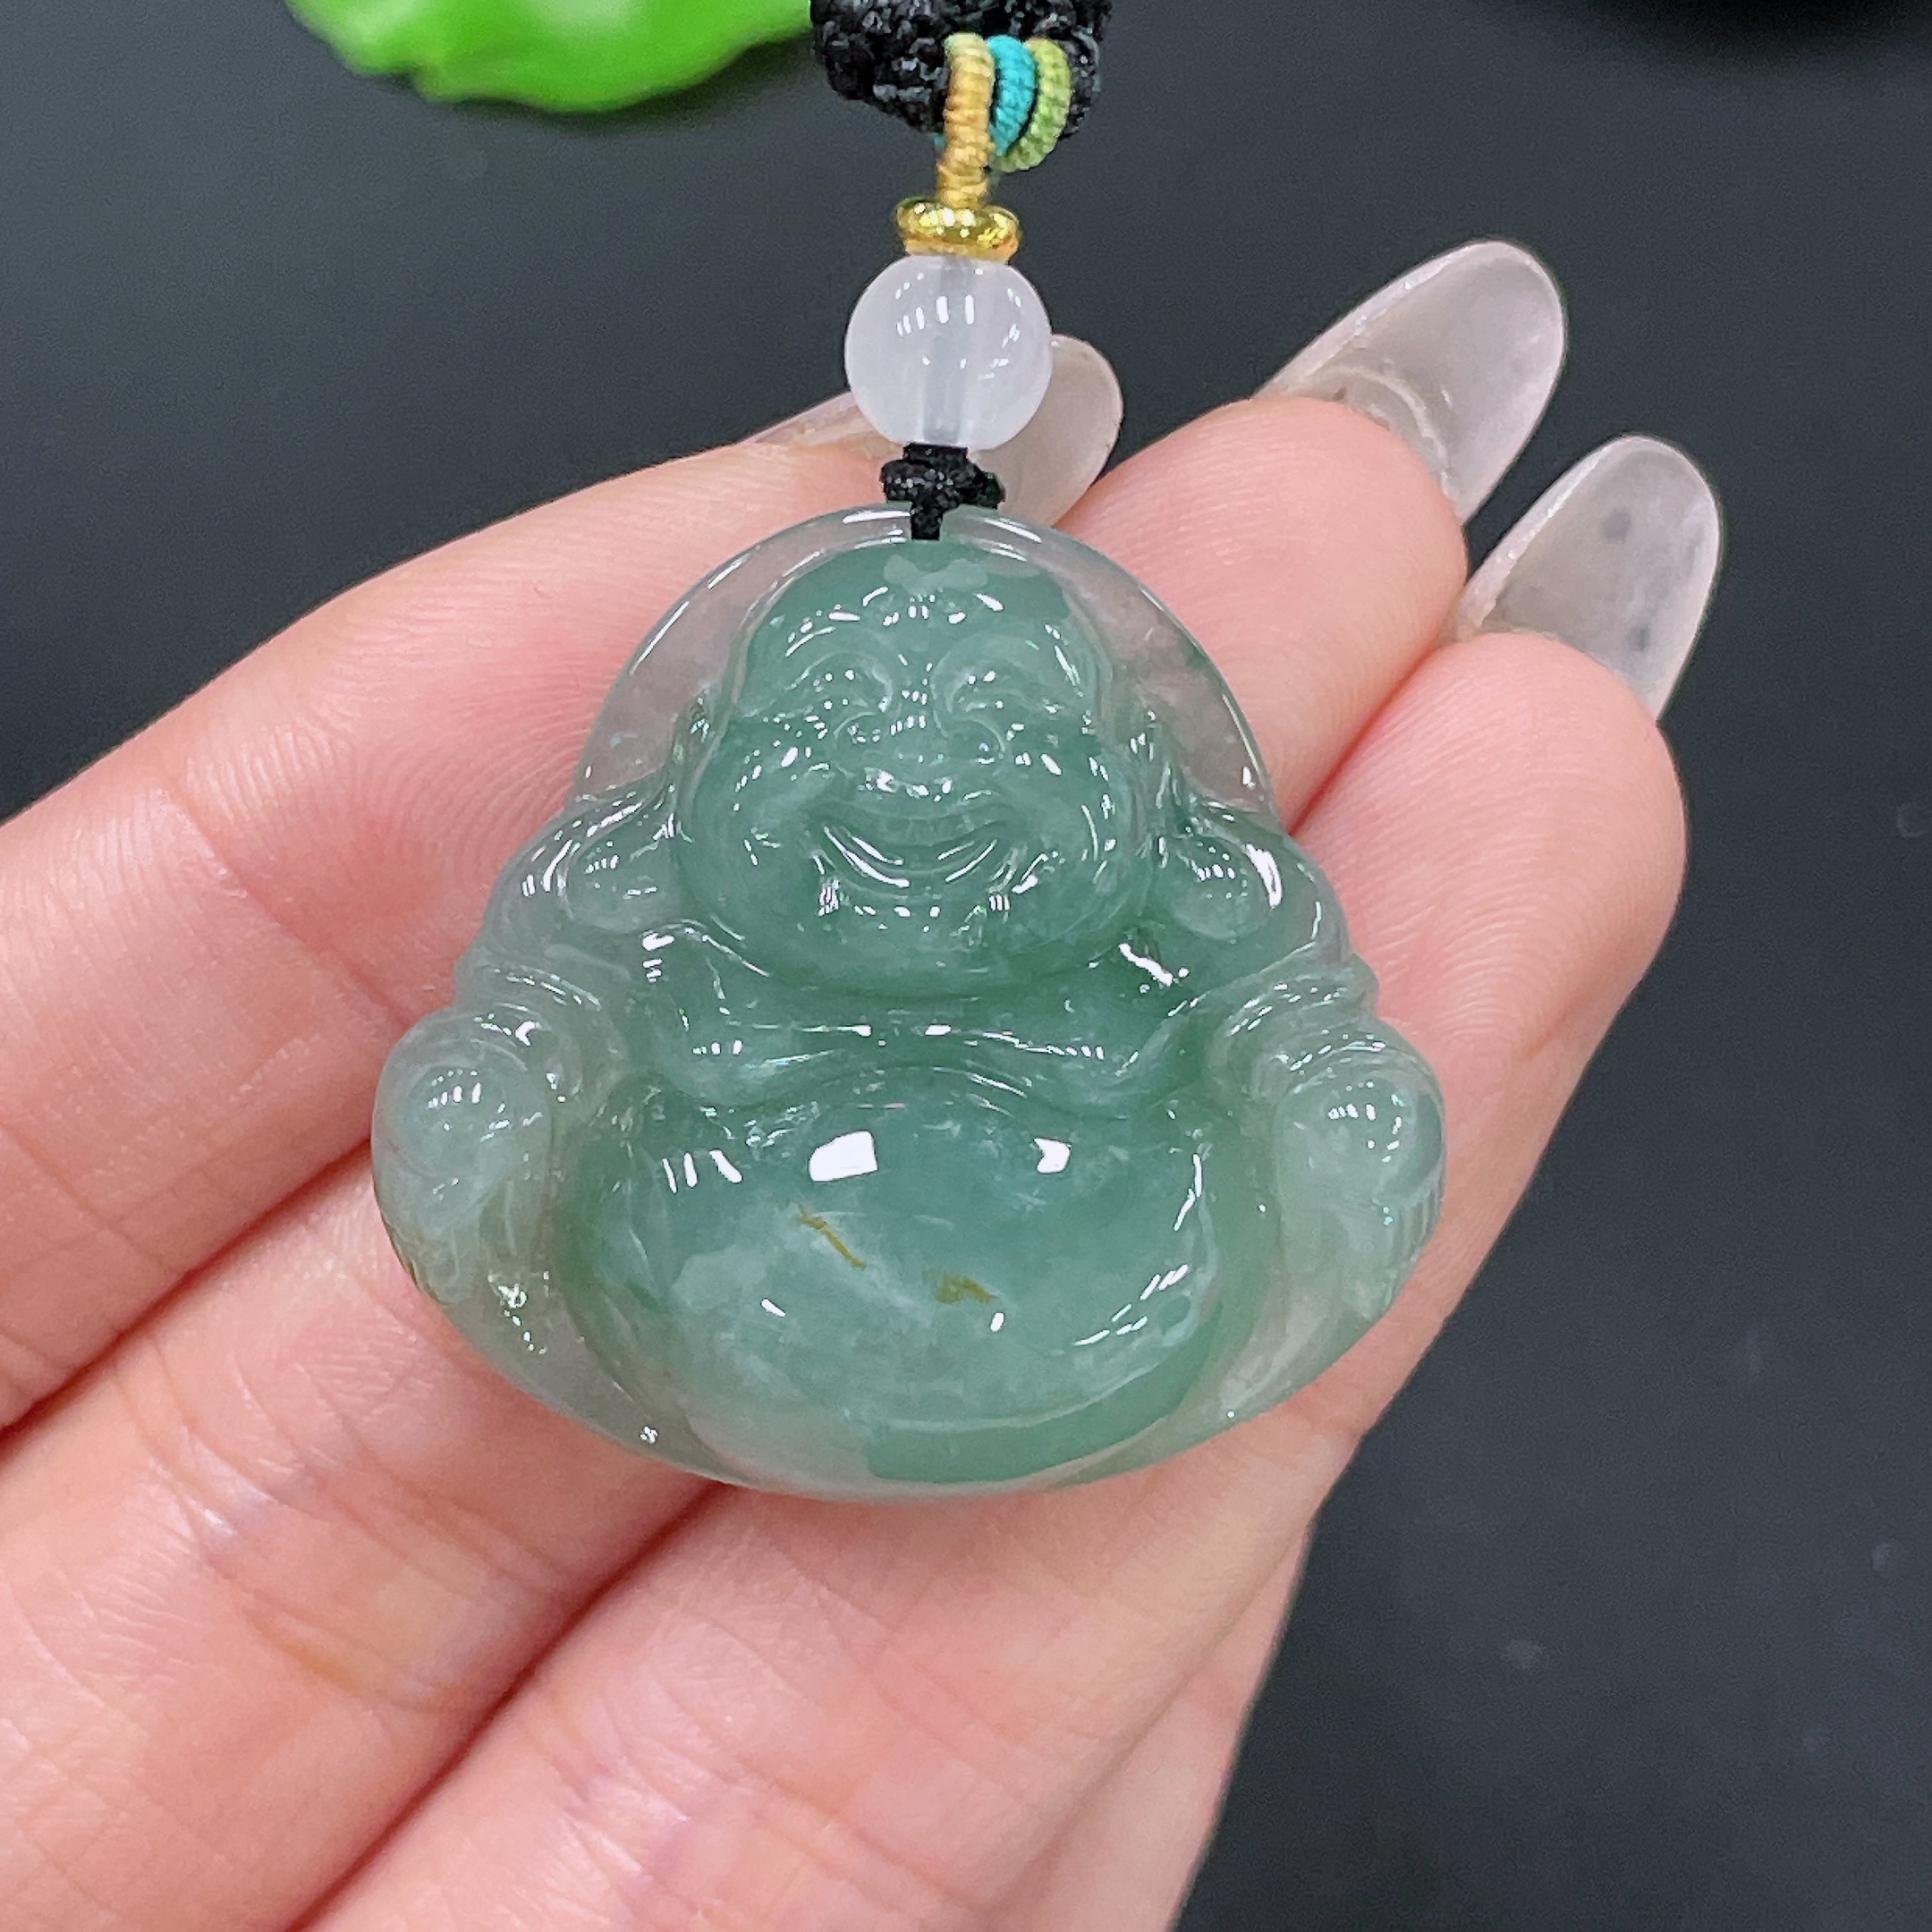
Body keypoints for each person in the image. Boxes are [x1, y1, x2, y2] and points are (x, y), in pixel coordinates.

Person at [0, 243, 1706, 1930]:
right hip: (703, 1283)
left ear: (1139, 790)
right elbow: (538, 1032)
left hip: (1127, 1286)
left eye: (1007, 728)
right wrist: (489, 1126)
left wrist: (1329, 1123)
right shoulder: (650, 941)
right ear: (697, 784)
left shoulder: (1182, 943)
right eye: (831, 723)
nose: (913, 776)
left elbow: (1293, 1037)